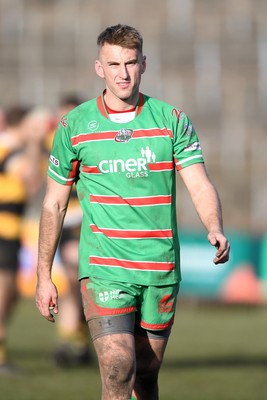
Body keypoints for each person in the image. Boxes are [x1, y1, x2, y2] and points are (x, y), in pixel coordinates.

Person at [35, 24, 230, 399]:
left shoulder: (171, 120)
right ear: (99, 67)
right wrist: (44, 275)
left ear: (144, 63)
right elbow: (53, 202)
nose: (122, 73)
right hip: (105, 268)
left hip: (159, 267)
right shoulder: (74, 126)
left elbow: (200, 183)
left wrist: (214, 226)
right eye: (113, 64)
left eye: (130, 63)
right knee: (118, 367)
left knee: (145, 377)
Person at [0, 105, 48, 374]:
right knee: (3, 294)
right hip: (3, 233)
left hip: (11, 232)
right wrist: (33, 144)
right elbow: (31, 182)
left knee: (11, 294)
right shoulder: (10, 150)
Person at [52, 95, 91, 367]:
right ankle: (71, 341)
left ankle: (78, 340)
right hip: (65, 225)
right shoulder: (54, 144)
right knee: (71, 284)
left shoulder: (90, 141)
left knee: (83, 284)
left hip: (85, 223)